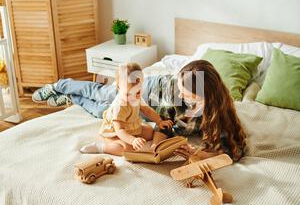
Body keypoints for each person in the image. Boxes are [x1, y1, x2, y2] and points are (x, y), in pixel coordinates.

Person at [33, 60, 246, 161]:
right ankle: (62, 85)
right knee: (102, 95)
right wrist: (156, 146)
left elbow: (232, 150)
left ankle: (71, 97)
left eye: (187, 95)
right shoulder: (175, 95)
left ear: (205, 96)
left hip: (148, 107)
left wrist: (200, 153)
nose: (181, 96)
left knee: (100, 112)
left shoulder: (217, 111)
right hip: (146, 91)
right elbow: (163, 126)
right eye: (180, 91)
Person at [79, 62, 173, 156]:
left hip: (130, 126)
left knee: (150, 131)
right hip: (115, 132)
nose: (132, 97)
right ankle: (101, 147)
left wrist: (159, 121)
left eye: (137, 92)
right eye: (127, 94)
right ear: (118, 88)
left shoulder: (137, 96)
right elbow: (119, 130)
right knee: (127, 149)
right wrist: (132, 140)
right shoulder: (120, 106)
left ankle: (137, 137)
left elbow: (147, 110)